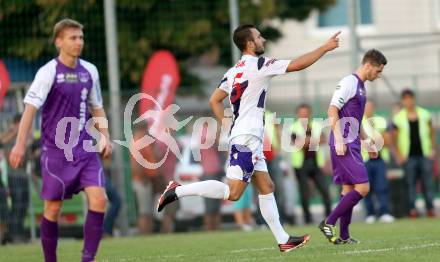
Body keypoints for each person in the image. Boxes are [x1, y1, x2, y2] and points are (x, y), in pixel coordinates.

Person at [157, 24, 340, 252]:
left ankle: (283, 239)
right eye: (259, 36)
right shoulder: (260, 65)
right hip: (247, 138)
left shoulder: (233, 71)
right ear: (250, 44)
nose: (263, 39)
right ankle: (176, 190)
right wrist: (324, 47)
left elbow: (215, 100)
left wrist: (227, 124)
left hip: (246, 136)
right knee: (233, 193)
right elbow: (297, 64)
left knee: (267, 186)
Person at [8, 19, 112, 262]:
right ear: (59, 42)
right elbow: (30, 111)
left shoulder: (90, 71)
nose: (78, 42)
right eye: (73, 38)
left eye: (81, 38)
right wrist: (20, 144)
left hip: (85, 149)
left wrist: (105, 137)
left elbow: (97, 108)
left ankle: (88, 258)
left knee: (99, 199)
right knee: (53, 209)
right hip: (56, 153)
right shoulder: (48, 72)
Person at [319, 49, 387, 244]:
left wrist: (366, 141)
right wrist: (339, 139)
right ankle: (328, 222)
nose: (379, 75)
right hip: (345, 143)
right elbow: (332, 109)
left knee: (348, 191)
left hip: (353, 142)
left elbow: (355, 120)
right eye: (378, 71)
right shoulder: (349, 82)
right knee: (363, 188)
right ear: (368, 65)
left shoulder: (361, 87)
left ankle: (344, 235)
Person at [390, 89, 437, 218]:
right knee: (410, 184)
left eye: (410, 98)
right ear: (402, 101)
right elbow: (393, 139)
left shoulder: (424, 114)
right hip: (408, 157)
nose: (408, 101)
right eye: (405, 99)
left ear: (413, 99)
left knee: (427, 183)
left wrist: (433, 149)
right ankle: (412, 210)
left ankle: (430, 209)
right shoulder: (398, 118)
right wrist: (398, 155)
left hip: (424, 155)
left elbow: (431, 132)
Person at [290, 104, 331, 224]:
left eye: (306, 113)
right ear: (298, 114)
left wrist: (306, 141)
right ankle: (308, 219)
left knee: (325, 190)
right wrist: (313, 140)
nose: (304, 115)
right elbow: (298, 143)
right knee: (304, 193)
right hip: (300, 164)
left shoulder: (317, 126)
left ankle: (329, 218)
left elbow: (323, 140)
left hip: (316, 163)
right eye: (301, 113)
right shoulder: (293, 127)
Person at [362, 100, 395, 224]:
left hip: (379, 159)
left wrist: (375, 141)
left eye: (370, 106)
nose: (368, 108)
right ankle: (370, 214)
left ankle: (384, 212)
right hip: (365, 160)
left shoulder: (381, 121)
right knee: (366, 188)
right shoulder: (358, 122)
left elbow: (387, 140)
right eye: (366, 106)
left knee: (382, 186)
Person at [130, 123, 157, 235]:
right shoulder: (138, 142)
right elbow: (137, 163)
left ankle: (148, 234)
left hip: (147, 180)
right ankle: (144, 234)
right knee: (144, 212)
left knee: (148, 211)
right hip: (142, 181)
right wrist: (143, 178)